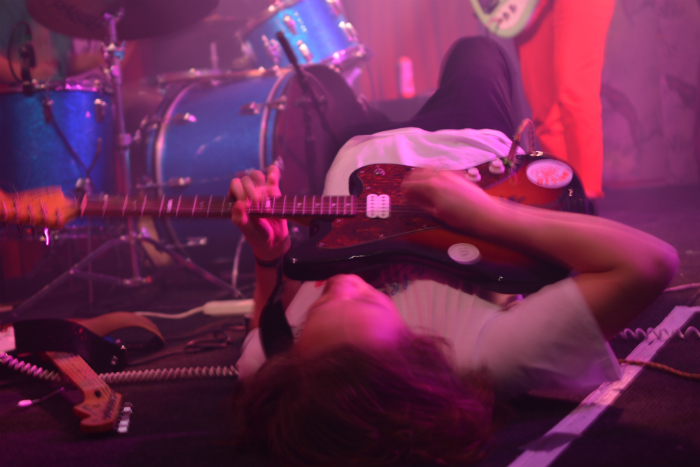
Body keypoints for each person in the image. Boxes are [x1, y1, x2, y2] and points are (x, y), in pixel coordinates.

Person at [227, 36, 678, 466]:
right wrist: (485, 213)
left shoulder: (279, 363)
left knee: (321, 83)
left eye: (322, 303)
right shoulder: (482, 358)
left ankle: (369, 114)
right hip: (457, 140)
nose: (343, 284)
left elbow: (267, 321)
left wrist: (271, 252)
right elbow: (649, 263)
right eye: (368, 298)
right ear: (413, 358)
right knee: (476, 51)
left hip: (351, 162)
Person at [514, 0, 616, 200]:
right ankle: (563, 200)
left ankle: (586, 200)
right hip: (526, 5)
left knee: (575, 93)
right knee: (544, 111)